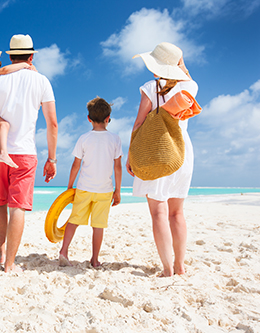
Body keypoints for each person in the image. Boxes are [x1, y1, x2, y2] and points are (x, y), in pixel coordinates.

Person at [0, 34, 58, 273]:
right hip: (24, 154)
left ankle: (0, 254)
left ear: (10, 56)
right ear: (31, 56)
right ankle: (10, 264)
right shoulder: (42, 81)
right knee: (18, 208)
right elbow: (52, 124)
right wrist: (51, 158)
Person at [126, 42, 198, 277]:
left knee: (158, 212)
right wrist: (181, 65)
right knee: (177, 213)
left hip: (156, 149)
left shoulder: (150, 87)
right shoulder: (191, 86)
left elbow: (139, 123)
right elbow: (185, 78)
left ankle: (167, 269)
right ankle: (180, 265)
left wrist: (131, 154)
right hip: (181, 150)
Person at [58, 97, 122, 268]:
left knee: (74, 220)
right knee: (98, 226)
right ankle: (94, 259)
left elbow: (75, 165)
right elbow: (118, 167)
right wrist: (118, 190)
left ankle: (64, 251)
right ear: (108, 118)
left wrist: (69, 187)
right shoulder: (115, 139)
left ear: (89, 119)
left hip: (84, 188)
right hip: (105, 190)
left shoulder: (84, 138)